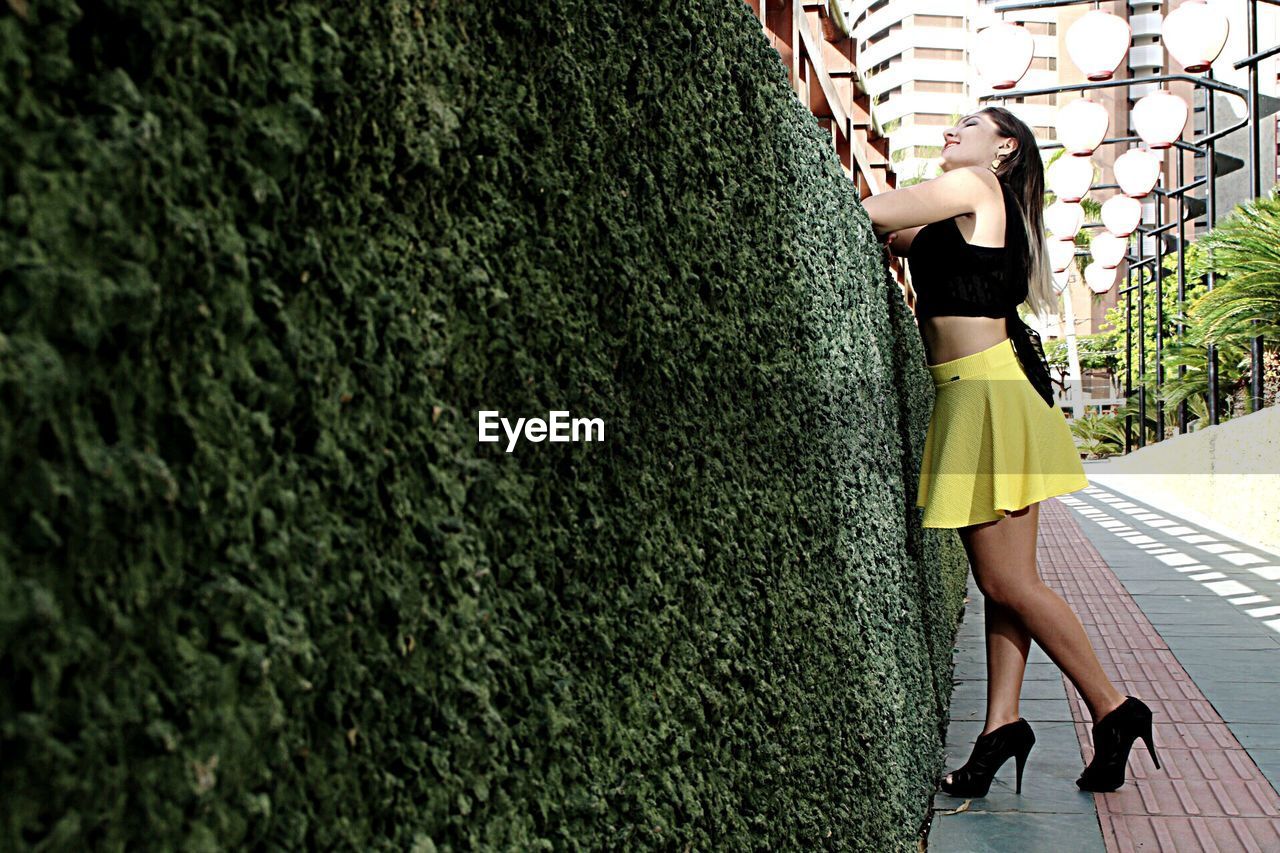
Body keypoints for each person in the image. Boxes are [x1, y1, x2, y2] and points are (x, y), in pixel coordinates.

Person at [861, 107, 1162, 796]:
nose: (949, 133)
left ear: (1004, 148)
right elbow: (903, 234)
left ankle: (1115, 707)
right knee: (1005, 581)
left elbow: (872, 213)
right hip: (986, 391)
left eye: (967, 125)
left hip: (985, 397)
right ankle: (1002, 723)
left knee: (1008, 583)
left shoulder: (973, 187)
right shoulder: (971, 207)